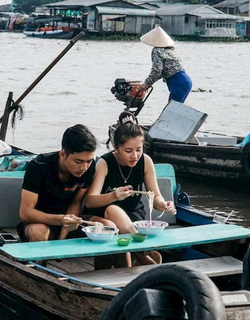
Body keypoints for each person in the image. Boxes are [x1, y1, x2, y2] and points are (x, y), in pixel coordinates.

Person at [85, 111, 176, 266]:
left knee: (121, 234)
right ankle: (142, 254)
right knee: (112, 211)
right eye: (128, 151)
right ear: (116, 148)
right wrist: (114, 196)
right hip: (103, 214)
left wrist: (162, 204)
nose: (135, 156)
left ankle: (133, 262)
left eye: (139, 149)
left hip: (133, 216)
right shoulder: (105, 163)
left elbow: (155, 196)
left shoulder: (145, 161)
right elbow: (90, 201)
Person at [17, 125, 116, 266]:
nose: (84, 167)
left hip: (69, 221)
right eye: (78, 161)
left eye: (88, 161)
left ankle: (103, 275)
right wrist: (61, 220)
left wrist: (63, 238)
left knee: (108, 227)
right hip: (39, 222)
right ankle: (40, 272)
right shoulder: (38, 167)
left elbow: (75, 203)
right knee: (38, 232)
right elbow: (25, 213)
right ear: (63, 154)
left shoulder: (88, 168)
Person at [139, 26, 192, 103]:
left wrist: (146, 84)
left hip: (179, 83)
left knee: (171, 111)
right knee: (174, 109)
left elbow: (157, 71)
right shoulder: (170, 51)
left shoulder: (157, 50)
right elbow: (163, 71)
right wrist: (148, 83)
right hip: (186, 81)